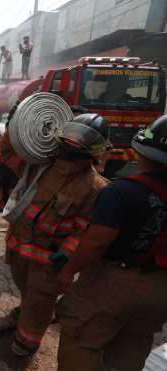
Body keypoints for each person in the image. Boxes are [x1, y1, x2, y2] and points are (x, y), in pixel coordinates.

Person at [56, 115, 167, 371]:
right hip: (160, 291)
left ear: (142, 152)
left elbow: (96, 241)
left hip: (114, 284)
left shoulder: (121, 192)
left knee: (82, 341)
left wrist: (68, 271)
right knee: (134, 342)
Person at [1, 113, 110, 356]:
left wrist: (66, 254)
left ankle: (26, 342)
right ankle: (27, 310)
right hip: (18, 247)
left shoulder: (95, 187)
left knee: (40, 301)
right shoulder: (38, 163)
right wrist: (18, 123)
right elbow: (8, 153)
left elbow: (85, 229)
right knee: (27, 290)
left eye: (80, 139)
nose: (72, 142)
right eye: (71, 135)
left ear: (94, 149)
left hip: (49, 261)